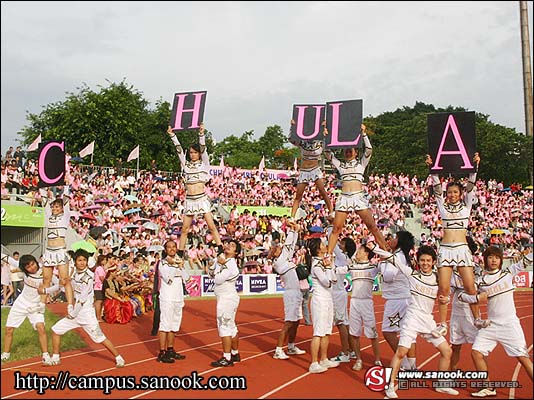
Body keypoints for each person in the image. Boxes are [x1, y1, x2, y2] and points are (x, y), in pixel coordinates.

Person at [370, 244, 459, 399]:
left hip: (428, 321)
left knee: (447, 351)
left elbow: (445, 296)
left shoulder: (438, 279)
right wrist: (374, 248)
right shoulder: (412, 275)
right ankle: (390, 386)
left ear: (433, 262)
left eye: (428, 261)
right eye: (422, 260)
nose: (425, 263)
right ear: (418, 262)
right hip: (411, 318)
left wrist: (446, 300)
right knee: (401, 352)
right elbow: (394, 260)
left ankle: (442, 384)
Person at [425, 152, 490, 337]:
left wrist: (475, 167)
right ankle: (443, 324)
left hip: (462, 249)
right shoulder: (442, 206)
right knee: (444, 289)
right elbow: (436, 187)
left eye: (455, 192)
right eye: (450, 192)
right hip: (445, 250)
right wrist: (432, 169)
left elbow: (471, 186)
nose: (452, 195)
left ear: (461, 194)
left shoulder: (466, 205)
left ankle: (477, 317)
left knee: (470, 287)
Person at [458, 246, 533, 397]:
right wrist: (477, 298)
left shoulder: (508, 273)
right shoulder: (481, 281)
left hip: (510, 324)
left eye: (497, 258)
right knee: (476, 353)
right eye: (490, 257)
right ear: (485, 259)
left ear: (501, 260)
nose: (493, 260)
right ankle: (488, 387)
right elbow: (461, 296)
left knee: (523, 359)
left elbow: (527, 259)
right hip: (490, 325)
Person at [48, 249, 125, 368]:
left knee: (100, 338)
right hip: (75, 312)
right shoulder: (74, 274)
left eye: (84, 260)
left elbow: (82, 299)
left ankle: (118, 357)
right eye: (79, 260)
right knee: (55, 330)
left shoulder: (89, 277)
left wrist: (72, 313)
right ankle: (56, 357)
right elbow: (67, 289)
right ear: (75, 262)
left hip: (86, 314)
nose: (82, 262)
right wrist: (50, 290)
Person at [324, 123, 389, 259]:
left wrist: (364, 134)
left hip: (358, 197)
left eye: (351, 149)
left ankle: (386, 251)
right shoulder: (340, 165)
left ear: (356, 152)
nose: (348, 151)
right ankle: (328, 255)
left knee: (372, 226)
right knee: (336, 228)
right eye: (346, 150)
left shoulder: (361, 164)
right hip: (344, 197)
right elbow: (328, 154)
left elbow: (369, 150)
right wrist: (326, 136)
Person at [167, 123, 223, 260]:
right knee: (185, 229)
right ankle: (180, 252)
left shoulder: (204, 164)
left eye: (195, 152)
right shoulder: (185, 165)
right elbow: (179, 150)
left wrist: (201, 134)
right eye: (191, 152)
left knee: (211, 226)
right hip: (190, 199)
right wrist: (172, 136)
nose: (192, 155)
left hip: (202, 198)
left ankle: (220, 247)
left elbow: (204, 150)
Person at [1, 254, 58, 365]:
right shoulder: (20, 265)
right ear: (24, 268)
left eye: (33, 264)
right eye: (28, 267)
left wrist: (46, 291)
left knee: (41, 328)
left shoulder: (45, 272)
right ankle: (5, 354)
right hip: (21, 303)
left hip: (37, 306)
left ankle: (45, 355)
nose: (32, 267)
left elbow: (59, 285)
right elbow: (6, 258)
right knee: (9, 329)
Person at [379, 232, 417, 372]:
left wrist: (383, 263)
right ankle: (412, 365)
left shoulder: (397, 256)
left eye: (394, 237)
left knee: (388, 331)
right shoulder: (402, 255)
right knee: (408, 332)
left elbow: (388, 276)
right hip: (406, 298)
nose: (391, 239)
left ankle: (405, 363)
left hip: (396, 299)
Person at [270, 221, 307, 360]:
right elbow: (288, 247)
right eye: (277, 248)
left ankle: (291, 346)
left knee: (296, 321)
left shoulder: (285, 259)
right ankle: (278, 350)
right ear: (275, 254)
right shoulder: (279, 262)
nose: (280, 248)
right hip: (291, 294)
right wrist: (293, 231)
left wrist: (295, 231)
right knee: (289, 322)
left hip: (296, 292)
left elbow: (289, 248)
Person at [39, 186, 74, 317]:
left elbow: (65, 199)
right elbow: (44, 199)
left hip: (60, 250)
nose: (54, 209)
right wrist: (43, 185)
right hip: (48, 251)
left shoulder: (65, 216)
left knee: (65, 279)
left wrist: (65, 186)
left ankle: (70, 306)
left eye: (57, 207)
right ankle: (42, 305)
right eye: (53, 207)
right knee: (46, 279)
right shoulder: (49, 215)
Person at [288, 119, 333, 220]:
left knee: (323, 191)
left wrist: (326, 129)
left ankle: (331, 211)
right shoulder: (302, 140)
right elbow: (291, 139)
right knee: (298, 195)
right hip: (304, 170)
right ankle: (292, 217)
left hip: (315, 169)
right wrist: (292, 127)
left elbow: (331, 143)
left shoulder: (321, 142)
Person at [306, 237, 340, 373]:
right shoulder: (316, 265)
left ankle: (324, 359)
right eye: (322, 244)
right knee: (318, 332)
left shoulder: (324, 262)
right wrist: (328, 268)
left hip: (328, 299)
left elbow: (335, 279)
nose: (325, 245)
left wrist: (330, 267)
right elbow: (327, 282)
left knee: (326, 331)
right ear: (318, 249)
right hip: (319, 300)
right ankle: (314, 363)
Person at [348, 240, 382, 371]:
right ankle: (358, 359)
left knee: (372, 333)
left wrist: (374, 246)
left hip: (367, 303)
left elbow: (385, 262)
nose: (357, 253)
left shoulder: (373, 268)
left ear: (367, 253)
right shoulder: (352, 266)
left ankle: (377, 359)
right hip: (354, 302)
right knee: (355, 333)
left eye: (360, 251)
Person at [208, 239, 241, 367]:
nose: (228, 246)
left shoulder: (231, 264)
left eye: (232, 246)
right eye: (228, 244)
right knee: (231, 327)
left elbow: (218, 279)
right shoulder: (222, 260)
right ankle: (235, 353)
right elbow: (211, 273)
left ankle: (227, 357)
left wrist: (221, 265)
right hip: (224, 298)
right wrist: (215, 265)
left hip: (227, 298)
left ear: (236, 252)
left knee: (224, 327)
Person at [156, 240, 188, 363]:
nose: (172, 249)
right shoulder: (162, 263)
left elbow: (186, 278)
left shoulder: (179, 261)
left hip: (178, 297)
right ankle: (162, 352)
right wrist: (175, 265)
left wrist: (180, 266)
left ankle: (170, 349)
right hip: (167, 298)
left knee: (174, 325)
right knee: (165, 325)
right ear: (165, 250)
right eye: (169, 247)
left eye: (173, 247)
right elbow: (168, 278)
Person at [328, 231, 356, 364]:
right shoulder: (344, 258)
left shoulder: (343, 258)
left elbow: (333, 244)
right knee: (344, 322)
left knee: (341, 323)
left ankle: (345, 352)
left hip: (337, 294)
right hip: (340, 293)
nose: (339, 244)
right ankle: (352, 350)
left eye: (342, 243)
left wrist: (330, 228)